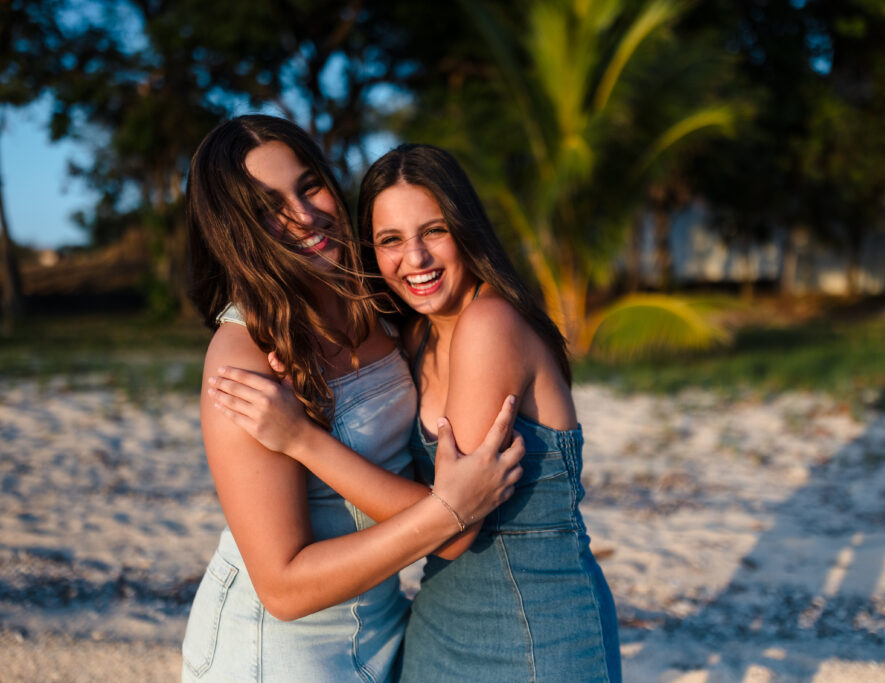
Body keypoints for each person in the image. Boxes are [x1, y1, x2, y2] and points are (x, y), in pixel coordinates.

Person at [212, 143, 621, 682]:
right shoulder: (413, 334)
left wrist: (301, 439)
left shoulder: (489, 324)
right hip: (435, 623)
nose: (416, 259)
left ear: (465, 227)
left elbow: (456, 524)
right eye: (390, 241)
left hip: (533, 622)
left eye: (434, 231)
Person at [182, 116, 524, 683]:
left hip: (385, 630)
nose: (305, 215)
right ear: (238, 231)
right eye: (271, 206)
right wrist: (449, 513)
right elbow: (284, 589)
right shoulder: (244, 356)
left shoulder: (378, 302)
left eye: (309, 185)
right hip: (276, 656)